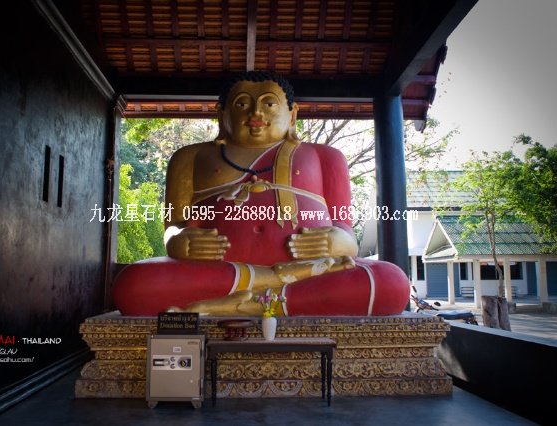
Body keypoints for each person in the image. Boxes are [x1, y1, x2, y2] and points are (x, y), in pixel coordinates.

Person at [112, 71, 410, 316]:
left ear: (292, 115)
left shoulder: (326, 157)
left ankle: (248, 303)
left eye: (269, 103)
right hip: (221, 271)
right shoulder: (190, 157)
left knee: (392, 282)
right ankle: (276, 295)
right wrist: (178, 240)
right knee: (133, 285)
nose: (256, 112)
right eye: (242, 103)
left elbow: (346, 231)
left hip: (312, 270)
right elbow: (173, 225)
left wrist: (338, 241)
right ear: (222, 114)